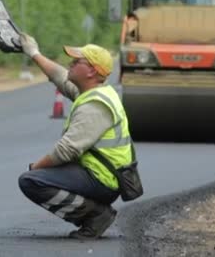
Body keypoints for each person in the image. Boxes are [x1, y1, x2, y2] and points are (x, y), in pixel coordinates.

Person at [16, 33, 134, 240]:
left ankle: (96, 215)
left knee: (31, 181)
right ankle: (94, 210)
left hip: (102, 180)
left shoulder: (96, 105)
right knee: (38, 176)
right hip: (98, 173)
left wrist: (35, 168)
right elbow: (60, 76)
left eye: (77, 61)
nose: (70, 63)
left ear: (91, 71)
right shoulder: (93, 92)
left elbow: (66, 150)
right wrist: (34, 53)